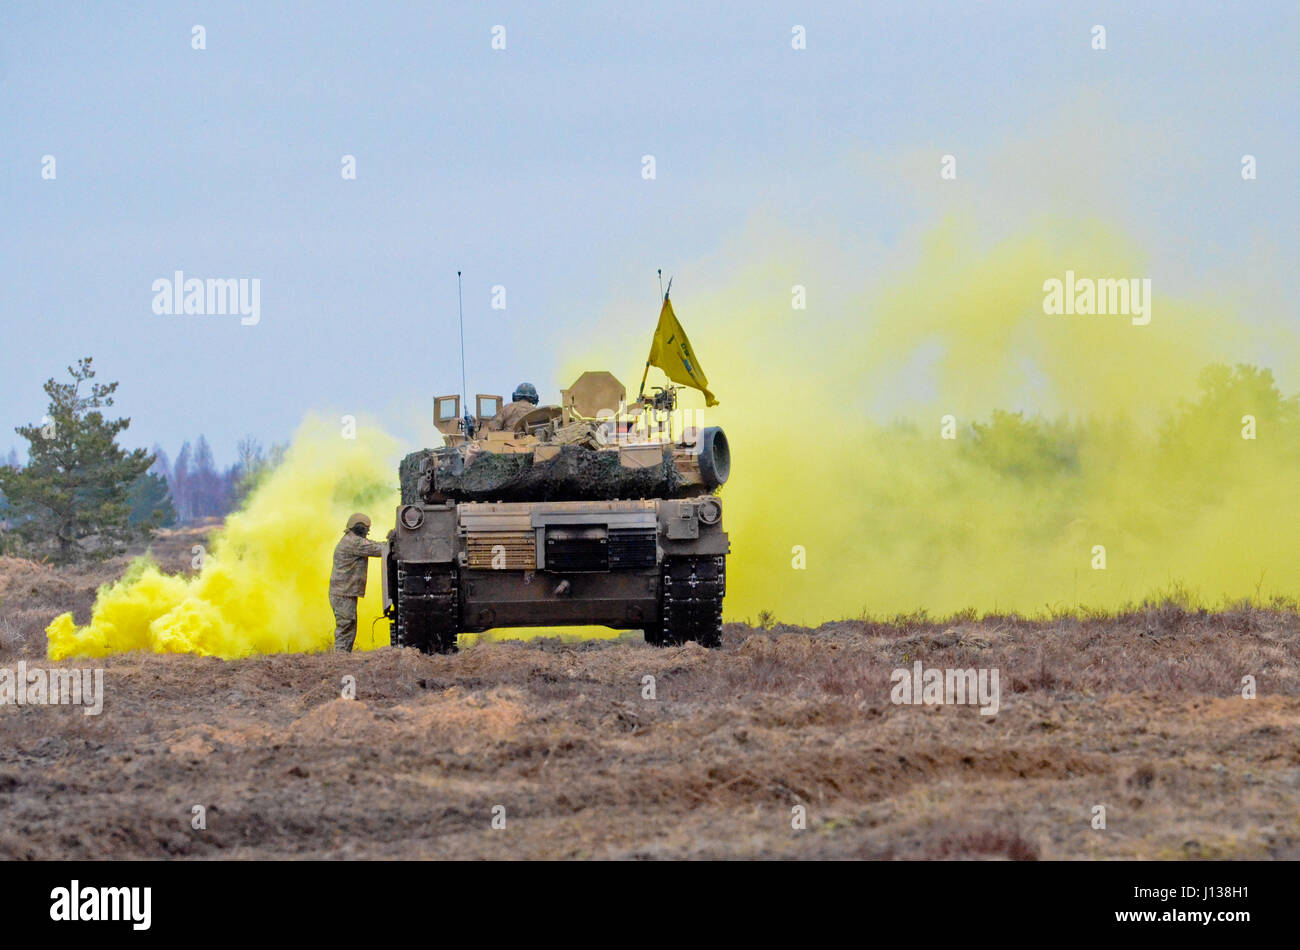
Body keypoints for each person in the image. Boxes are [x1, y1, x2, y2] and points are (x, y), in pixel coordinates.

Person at [329, 513, 385, 652]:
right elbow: (379, 549)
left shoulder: (350, 540)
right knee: (346, 626)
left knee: (348, 626)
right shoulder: (354, 542)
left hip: (344, 593)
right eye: (366, 528)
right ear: (360, 528)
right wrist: (392, 541)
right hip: (343, 593)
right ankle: (340, 658)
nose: (368, 531)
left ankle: (343, 657)